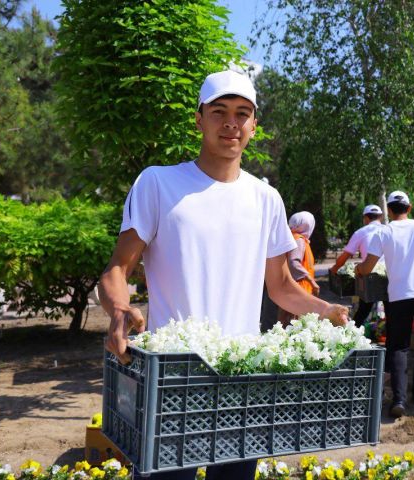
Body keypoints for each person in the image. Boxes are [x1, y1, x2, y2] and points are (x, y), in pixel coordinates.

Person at [98, 70, 348, 480]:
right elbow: (117, 268)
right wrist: (119, 309)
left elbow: (281, 286)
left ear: (254, 125)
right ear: (199, 119)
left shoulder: (266, 199)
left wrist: (326, 310)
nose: (231, 123)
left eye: (242, 113)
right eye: (219, 111)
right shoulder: (158, 183)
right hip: (172, 379)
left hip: (242, 381)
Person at [355, 191, 414, 418]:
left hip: (399, 296)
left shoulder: (383, 232)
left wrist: (358, 269)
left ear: (388, 209)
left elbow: (367, 267)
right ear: (410, 207)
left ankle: (399, 400)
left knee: (399, 347)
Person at [329, 204, 385, 326]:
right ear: (380, 217)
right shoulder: (388, 230)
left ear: (366, 218)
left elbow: (345, 256)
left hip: (369, 275)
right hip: (390, 275)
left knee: (363, 310)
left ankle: (354, 332)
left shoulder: (361, 232)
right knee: (391, 311)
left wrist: (334, 269)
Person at [278, 211, 319, 325]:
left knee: (286, 322)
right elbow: (294, 262)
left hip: (289, 287)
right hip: (298, 288)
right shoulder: (299, 240)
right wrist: (311, 281)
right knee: (295, 324)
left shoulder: (290, 238)